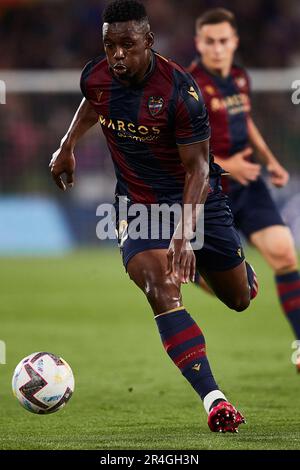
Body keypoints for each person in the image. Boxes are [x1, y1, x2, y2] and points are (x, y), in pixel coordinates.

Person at [49, 0, 257, 432]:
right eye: (110, 46)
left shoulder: (181, 92)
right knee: (157, 286)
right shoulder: (97, 75)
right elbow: (94, 101)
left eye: (127, 44)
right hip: (137, 205)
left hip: (197, 198)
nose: (118, 55)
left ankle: (203, 265)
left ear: (149, 41)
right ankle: (215, 401)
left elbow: (198, 169)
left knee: (239, 299)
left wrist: (183, 235)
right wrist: (67, 145)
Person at [188, 8, 300, 371]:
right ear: (198, 43)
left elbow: (246, 121)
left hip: (249, 183)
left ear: (234, 42)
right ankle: (194, 271)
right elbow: (181, 143)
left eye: (224, 41)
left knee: (284, 253)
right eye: (210, 42)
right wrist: (226, 164)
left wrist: (270, 160)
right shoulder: (188, 87)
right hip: (210, 190)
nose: (217, 48)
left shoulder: (239, 77)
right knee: (241, 295)